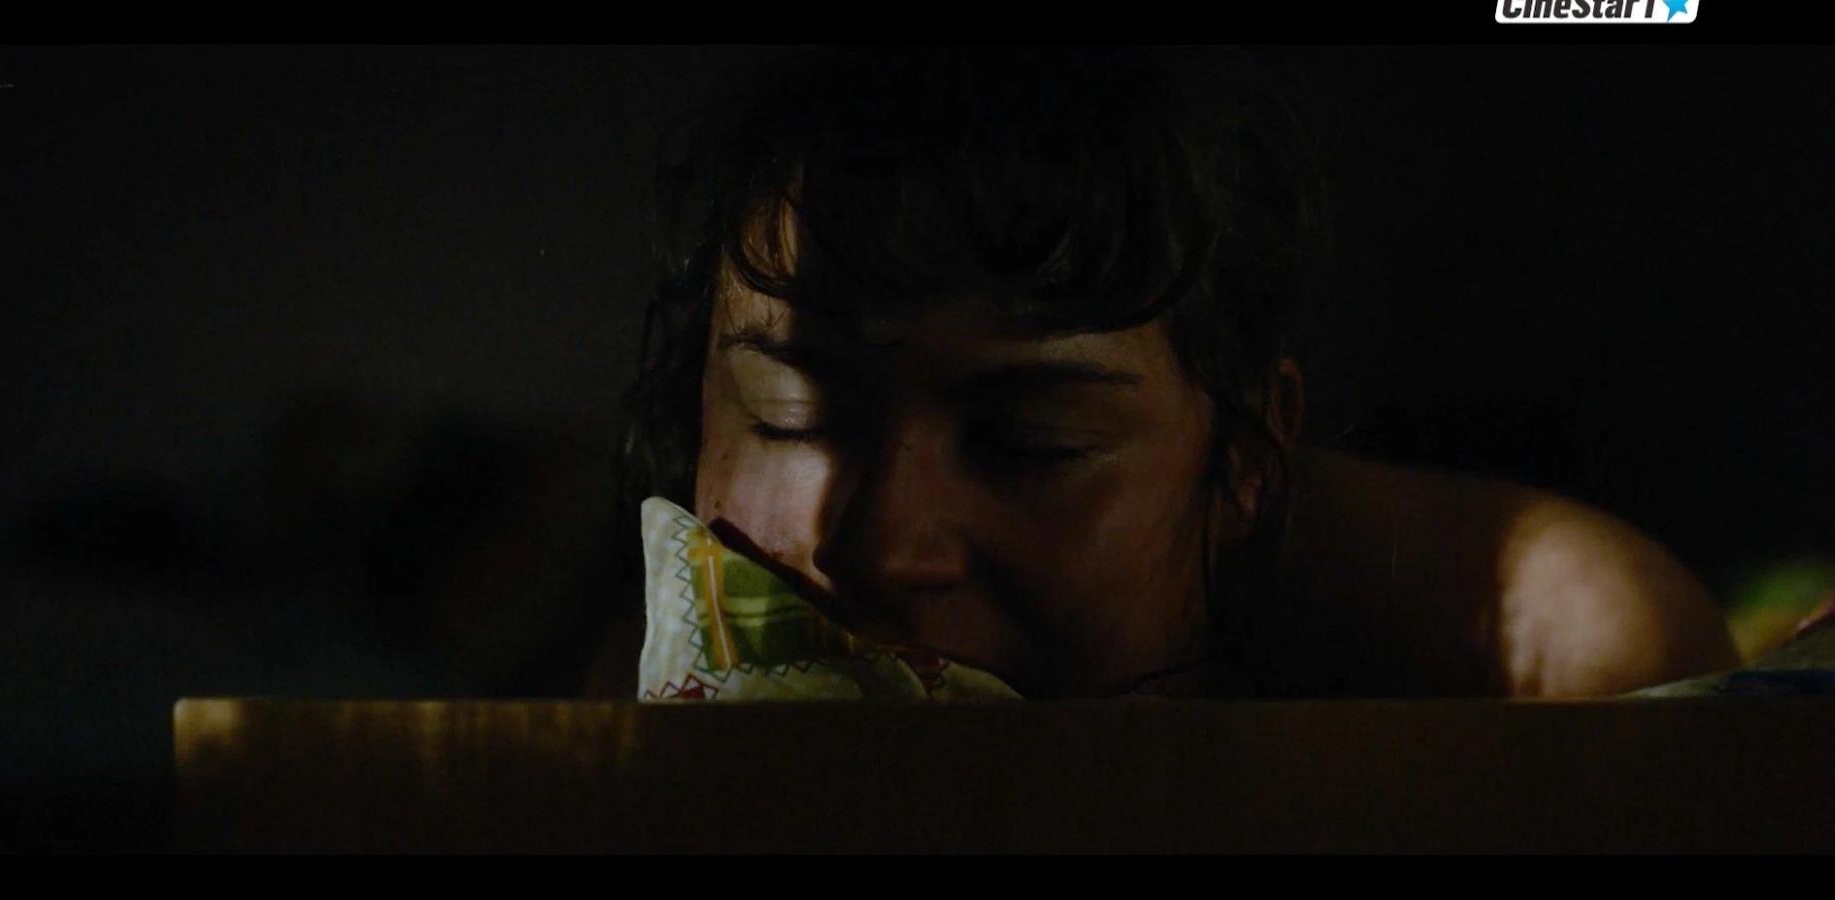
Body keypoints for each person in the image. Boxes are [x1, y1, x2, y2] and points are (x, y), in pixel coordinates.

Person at [585, 46, 1739, 700]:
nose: (880, 543)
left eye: (1028, 445)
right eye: (793, 412)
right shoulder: (626, 682)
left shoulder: (1562, 653)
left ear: (1243, 464)